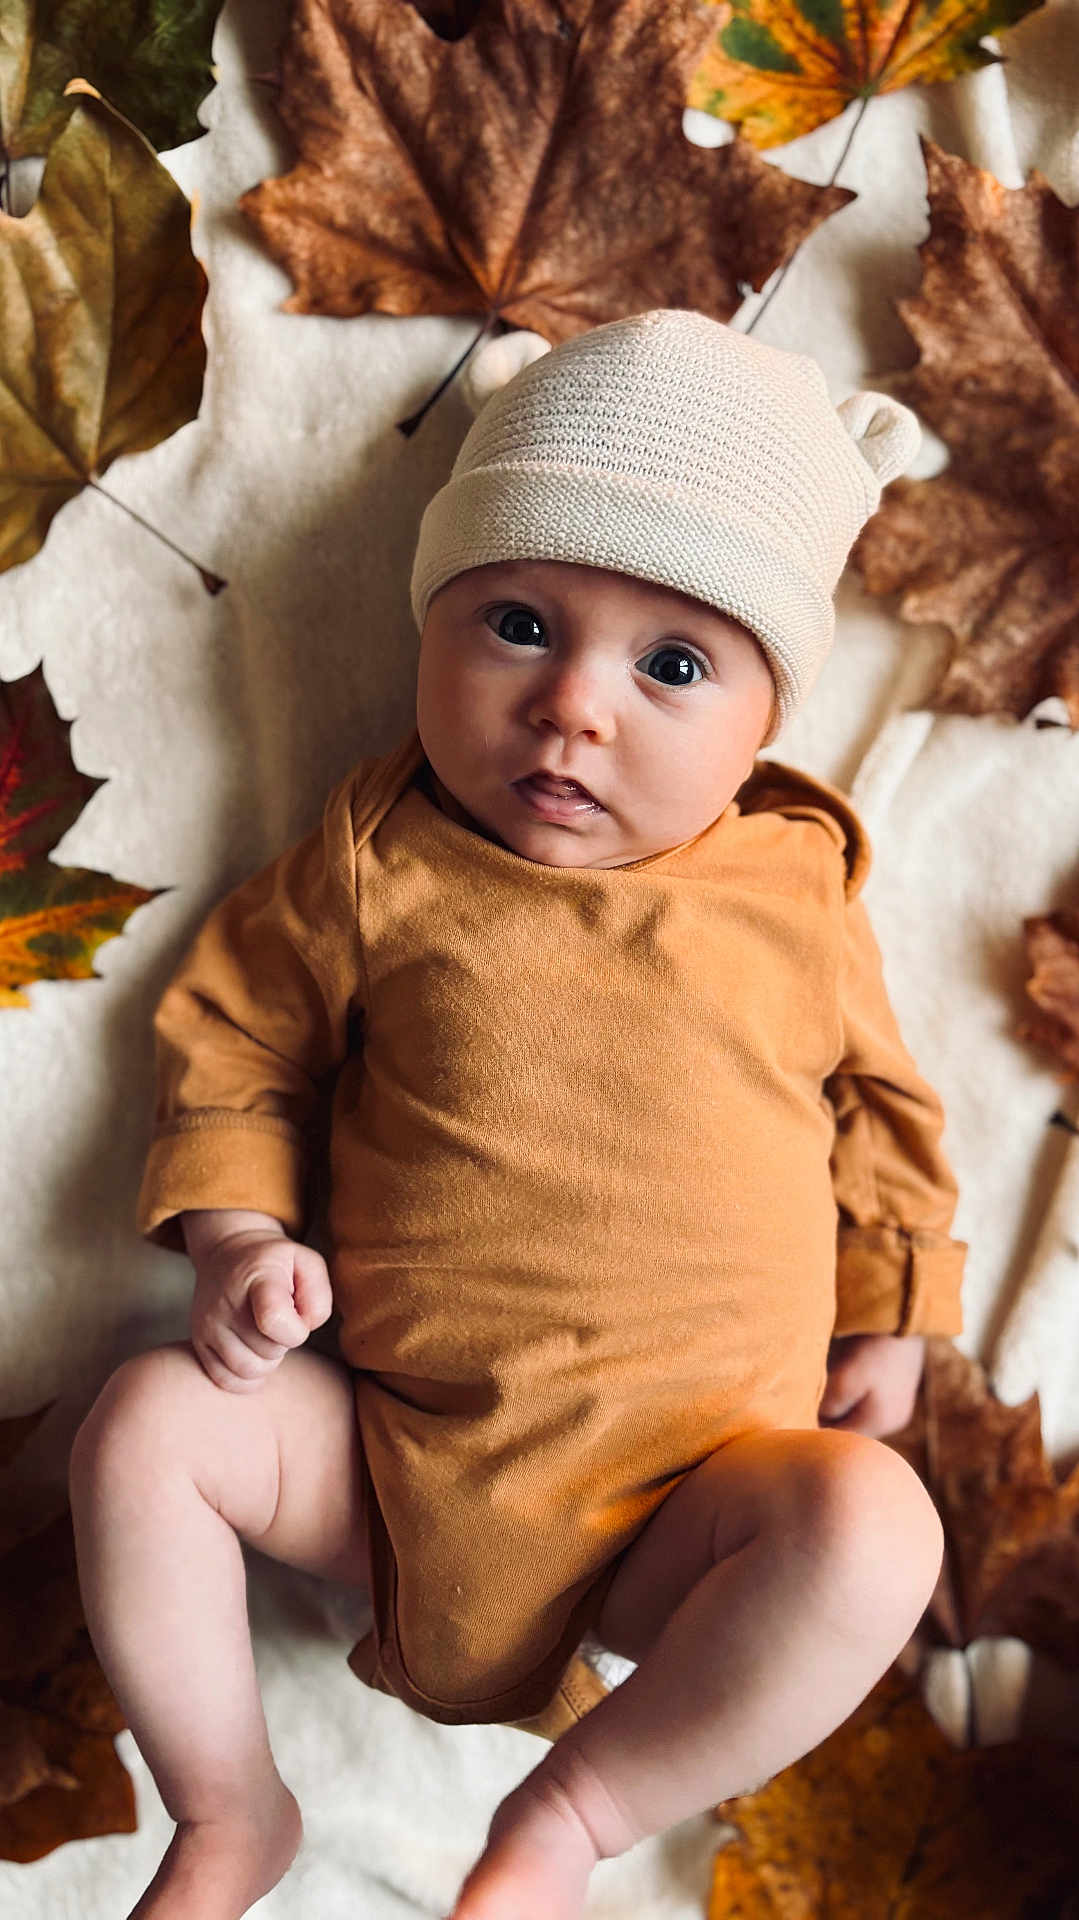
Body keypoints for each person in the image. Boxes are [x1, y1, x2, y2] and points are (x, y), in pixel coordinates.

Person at [68, 310, 965, 1920]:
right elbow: (235, 1038)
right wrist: (239, 1236)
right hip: (393, 1475)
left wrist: (898, 1310)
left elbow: (884, 1104)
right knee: (146, 1427)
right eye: (519, 624)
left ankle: (576, 1811)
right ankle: (225, 1807)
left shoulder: (792, 888)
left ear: (765, 725)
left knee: (878, 1534)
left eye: (671, 665)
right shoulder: (380, 855)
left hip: (686, 1516)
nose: (573, 708)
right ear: (428, 624)